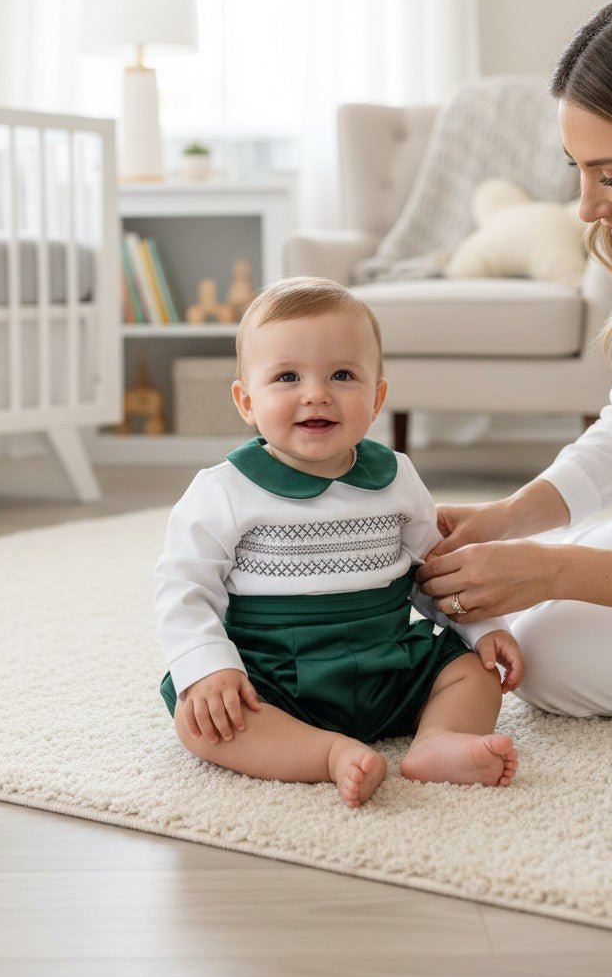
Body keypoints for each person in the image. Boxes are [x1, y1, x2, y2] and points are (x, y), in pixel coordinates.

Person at [416, 0, 612, 722]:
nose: (586, 208)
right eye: (578, 171)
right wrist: (512, 519)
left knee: (542, 657)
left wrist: (555, 567)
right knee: (516, 611)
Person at [154, 277, 523, 807]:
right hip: (275, 675)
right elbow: (183, 584)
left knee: (473, 670)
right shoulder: (225, 490)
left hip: (388, 661)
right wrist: (209, 666)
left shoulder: (396, 476)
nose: (316, 394)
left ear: (376, 399)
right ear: (246, 401)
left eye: (342, 375)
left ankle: (440, 742)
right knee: (203, 719)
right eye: (287, 376)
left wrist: (484, 625)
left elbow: (435, 570)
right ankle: (324, 753)